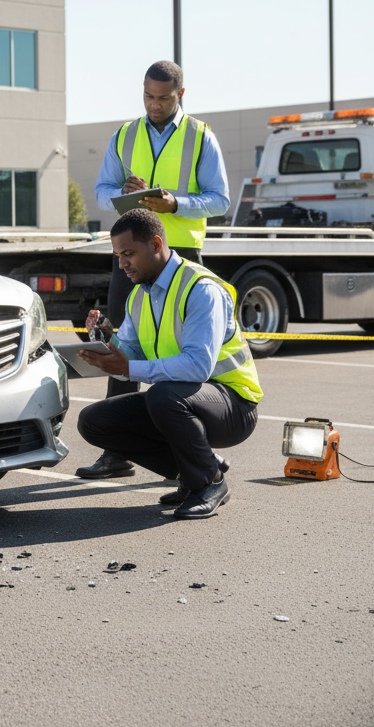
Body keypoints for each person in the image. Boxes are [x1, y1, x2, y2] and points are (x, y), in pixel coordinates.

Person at [77, 59, 232, 479]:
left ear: (180, 95)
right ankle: (116, 453)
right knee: (122, 347)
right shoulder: (125, 135)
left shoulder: (201, 137)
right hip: (132, 252)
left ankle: (196, 451)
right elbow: (102, 191)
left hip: (179, 252)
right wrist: (124, 196)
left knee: (186, 355)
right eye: (148, 96)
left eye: (162, 98)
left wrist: (175, 203)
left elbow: (220, 200)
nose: (154, 104)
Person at [76, 209, 262, 519]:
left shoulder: (201, 289)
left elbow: (198, 367)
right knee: (94, 421)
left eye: (128, 254)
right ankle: (192, 474)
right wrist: (102, 347)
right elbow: (129, 350)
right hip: (183, 399)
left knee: (162, 396)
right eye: (118, 255)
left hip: (234, 404)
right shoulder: (138, 296)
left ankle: (208, 483)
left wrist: (128, 369)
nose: (121, 264)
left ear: (157, 244)